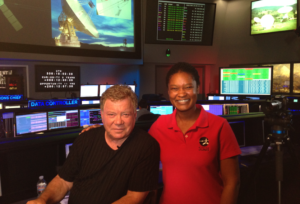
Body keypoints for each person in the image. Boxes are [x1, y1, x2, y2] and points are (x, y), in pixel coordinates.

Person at [27, 85, 160, 204]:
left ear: (134, 115)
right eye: (111, 114)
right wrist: (42, 200)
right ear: (102, 115)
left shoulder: (146, 146)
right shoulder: (86, 139)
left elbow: (133, 198)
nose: (118, 121)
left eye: (125, 114)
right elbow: (63, 181)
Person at [149, 62, 241, 204]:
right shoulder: (159, 126)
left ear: (198, 88)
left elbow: (232, 183)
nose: (181, 94)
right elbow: (145, 173)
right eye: (174, 88)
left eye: (188, 87)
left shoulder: (219, 126)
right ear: (168, 92)